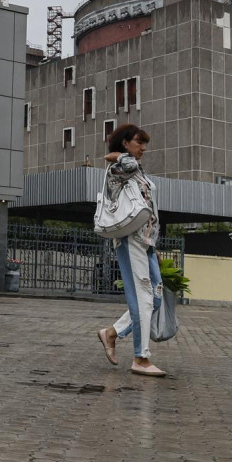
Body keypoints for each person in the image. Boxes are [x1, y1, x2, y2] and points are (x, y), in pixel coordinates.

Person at [95, 123, 167, 377]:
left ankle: (112, 333)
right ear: (125, 143)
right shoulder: (120, 168)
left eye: (145, 143)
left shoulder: (138, 171)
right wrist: (117, 154)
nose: (144, 148)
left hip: (147, 241)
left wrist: (154, 245)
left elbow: (149, 208)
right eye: (139, 142)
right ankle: (141, 358)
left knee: (156, 298)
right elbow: (119, 161)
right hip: (130, 239)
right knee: (143, 299)